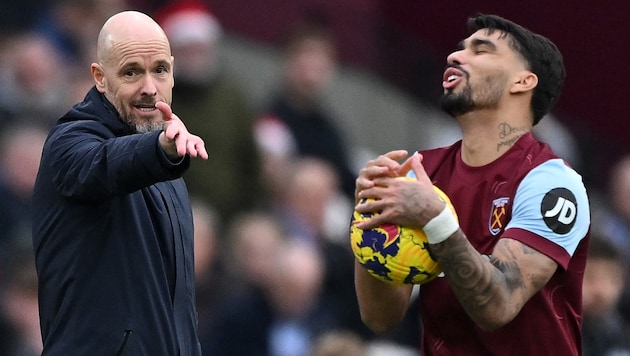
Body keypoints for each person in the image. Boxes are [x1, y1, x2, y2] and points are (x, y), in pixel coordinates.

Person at [352, 14, 590, 355]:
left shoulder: (552, 183)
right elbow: (380, 318)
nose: (454, 56)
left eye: (481, 50)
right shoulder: (421, 169)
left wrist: (436, 221)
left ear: (522, 81)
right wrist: (369, 216)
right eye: (460, 49)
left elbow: (499, 305)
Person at [31, 10, 207, 355]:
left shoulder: (166, 166)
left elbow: (179, 314)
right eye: (131, 72)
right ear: (99, 77)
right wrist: (160, 150)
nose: (149, 88)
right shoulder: (69, 143)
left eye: (160, 70)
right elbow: (107, 163)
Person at [155, 0, 264, 225]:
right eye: (188, 49)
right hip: (167, 214)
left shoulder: (233, 98)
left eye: (200, 49)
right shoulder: (156, 98)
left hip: (229, 220)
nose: (195, 57)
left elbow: (250, 160)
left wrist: (250, 213)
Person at [581, 236, 630, 356]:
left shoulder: (620, 329)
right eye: (590, 278)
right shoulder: (558, 335)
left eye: (611, 279)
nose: (600, 291)